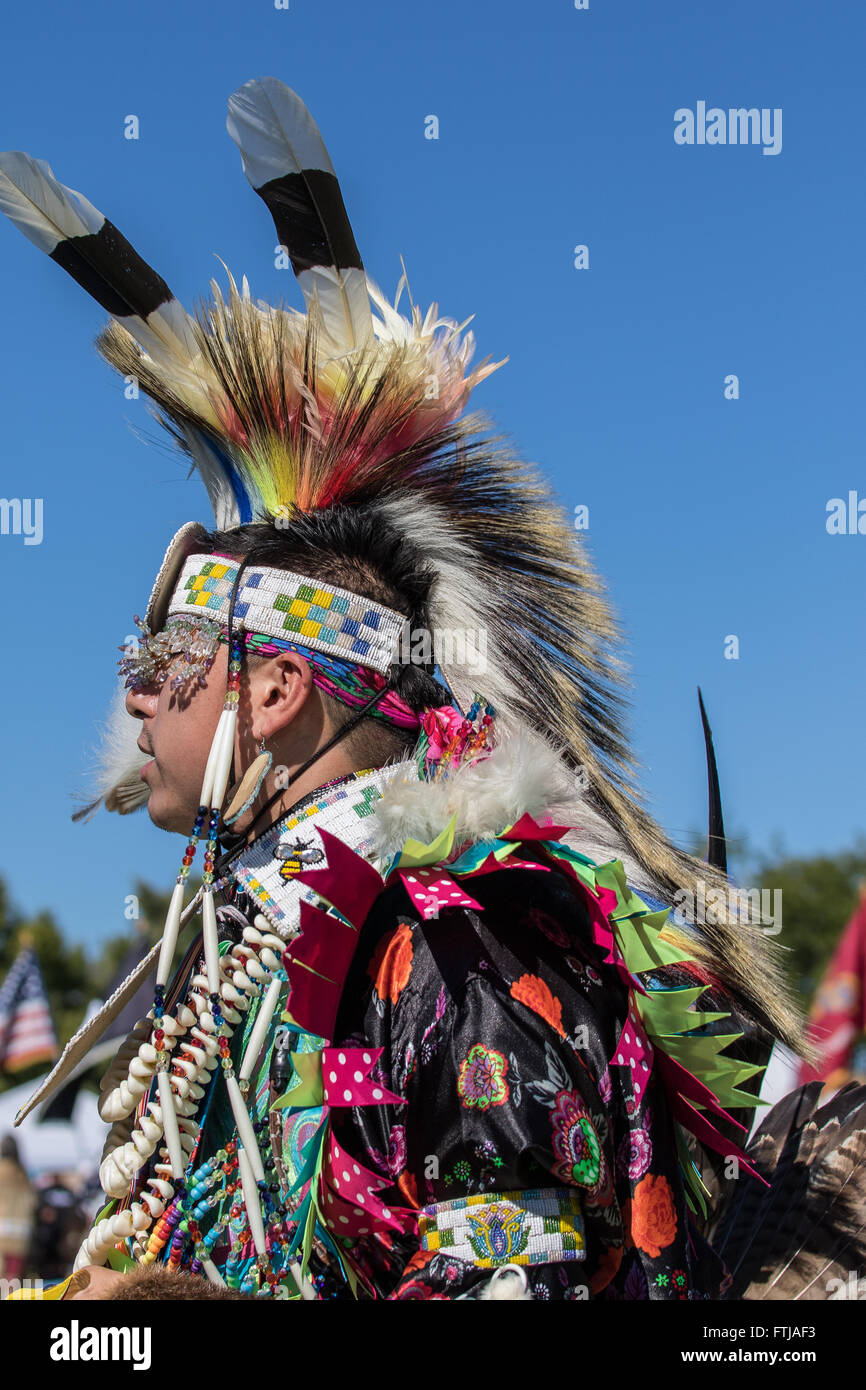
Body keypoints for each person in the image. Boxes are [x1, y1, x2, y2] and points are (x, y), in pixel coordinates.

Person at [1, 77, 863, 1302]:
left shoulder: (456, 949)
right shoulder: (280, 942)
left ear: (280, 688)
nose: (135, 703)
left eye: (162, 667)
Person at [0, 1135, 36, 1283]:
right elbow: (33, 1201)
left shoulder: (2, 1170)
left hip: (2, 1233)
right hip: (22, 1234)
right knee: (13, 1281)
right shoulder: (24, 1174)